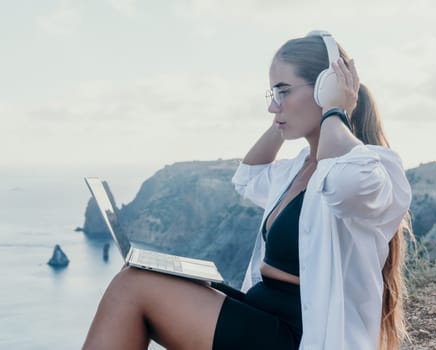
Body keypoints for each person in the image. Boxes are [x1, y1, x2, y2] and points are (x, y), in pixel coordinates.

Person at [82, 30, 412, 350]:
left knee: (134, 288)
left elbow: (344, 185)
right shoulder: (297, 168)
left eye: (283, 91)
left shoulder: (375, 167)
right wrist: (282, 121)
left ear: (325, 88)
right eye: (272, 95)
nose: (273, 106)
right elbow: (248, 177)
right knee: (136, 277)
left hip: (300, 337)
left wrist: (335, 109)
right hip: (263, 315)